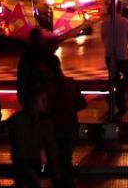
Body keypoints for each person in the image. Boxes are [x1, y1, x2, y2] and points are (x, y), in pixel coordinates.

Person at [45, 54, 87, 188]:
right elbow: (82, 104)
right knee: (66, 160)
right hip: (70, 126)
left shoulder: (46, 87)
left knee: (55, 162)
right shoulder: (70, 83)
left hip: (53, 128)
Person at [7, 86, 60, 188]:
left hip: (26, 161)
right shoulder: (23, 119)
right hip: (24, 162)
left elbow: (51, 147)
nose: (46, 104)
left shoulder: (42, 122)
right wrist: (56, 171)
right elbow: (51, 148)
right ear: (34, 102)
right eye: (43, 101)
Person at [101, 3, 128, 117]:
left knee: (115, 80)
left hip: (109, 56)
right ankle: (116, 98)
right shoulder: (125, 22)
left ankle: (119, 103)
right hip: (122, 55)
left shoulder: (104, 23)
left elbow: (103, 39)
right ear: (120, 9)